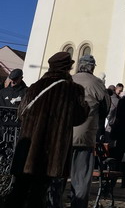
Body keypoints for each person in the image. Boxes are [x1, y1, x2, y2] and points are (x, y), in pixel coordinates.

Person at [5, 52, 89, 208]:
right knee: (39, 193)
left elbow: (21, 113)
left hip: (28, 149)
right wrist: (85, 107)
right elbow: (78, 118)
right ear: (68, 67)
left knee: (19, 190)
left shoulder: (34, 87)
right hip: (51, 151)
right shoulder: (73, 89)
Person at [71, 54, 110, 207]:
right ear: (92, 67)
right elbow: (105, 109)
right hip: (84, 136)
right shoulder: (97, 83)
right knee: (81, 177)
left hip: (63, 135)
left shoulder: (68, 80)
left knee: (59, 176)